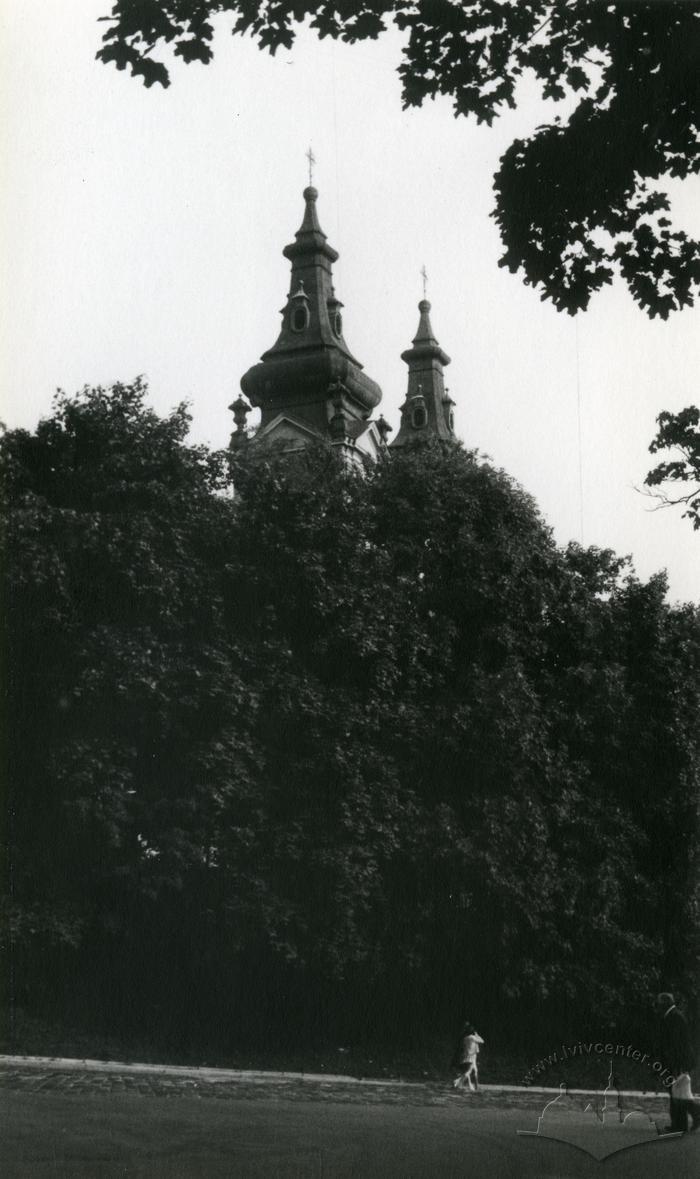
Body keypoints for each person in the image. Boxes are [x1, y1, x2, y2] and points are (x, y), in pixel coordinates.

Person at [655, 992, 700, 1133]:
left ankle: (681, 1123)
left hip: (678, 1062)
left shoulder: (674, 1017)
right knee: (679, 1092)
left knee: (676, 1091)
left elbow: (676, 1044)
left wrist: (676, 1065)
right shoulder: (673, 1015)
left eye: (659, 1003)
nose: (657, 1006)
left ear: (665, 1003)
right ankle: (684, 1122)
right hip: (679, 1061)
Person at [452, 1021, 485, 1092]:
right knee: (469, 1071)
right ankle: (458, 1082)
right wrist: (477, 1035)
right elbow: (482, 1041)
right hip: (471, 1056)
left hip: (469, 1055)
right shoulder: (472, 1038)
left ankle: (474, 1087)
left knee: (473, 1071)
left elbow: (468, 1047)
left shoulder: (465, 1039)